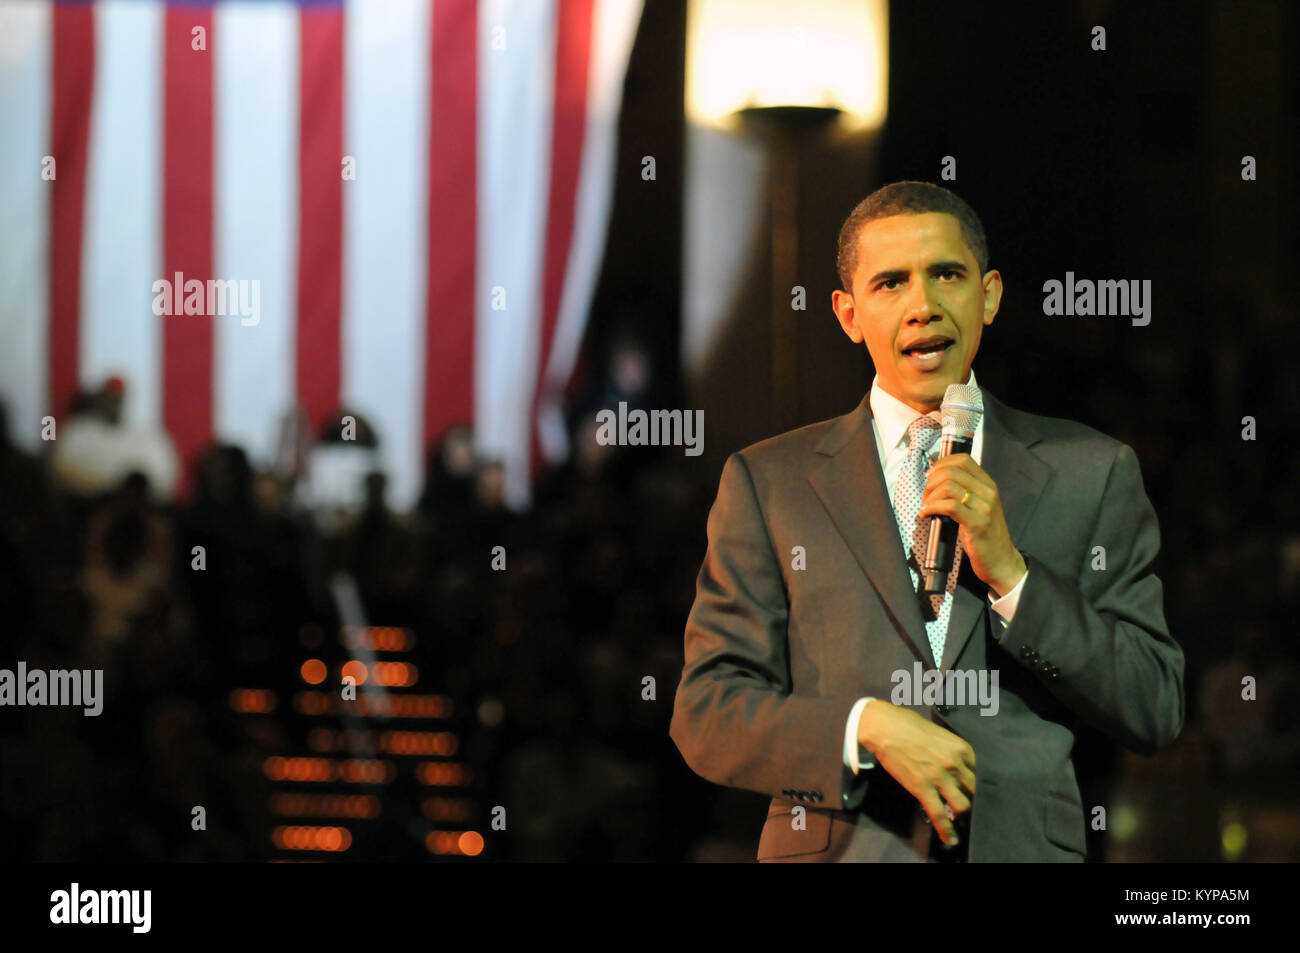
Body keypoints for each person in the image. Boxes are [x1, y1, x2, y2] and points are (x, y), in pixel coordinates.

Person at [669, 181, 1185, 862]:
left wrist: (1013, 577)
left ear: (990, 294)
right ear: (848, 313)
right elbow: (708, 711)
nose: (923, 305)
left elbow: (1154, 702)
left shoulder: (1091, 471)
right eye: (891, 283)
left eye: (947, 274)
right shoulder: (771, 482)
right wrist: (866, 726)